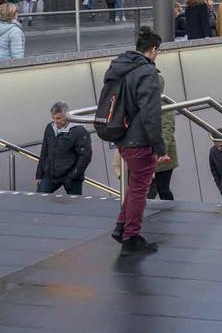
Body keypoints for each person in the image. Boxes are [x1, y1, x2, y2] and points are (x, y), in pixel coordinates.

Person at [106, 27, 167, 256]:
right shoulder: (147, 72)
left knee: (134, 186)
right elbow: (151, 113)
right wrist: (159, 145)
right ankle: (131, 236)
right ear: (153, 50)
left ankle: (122, 226)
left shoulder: (120, 66)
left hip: (121, 136)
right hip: (139, 140)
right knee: (141, 189)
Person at [34, 102, 92, 195]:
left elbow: (85, 156)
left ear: (67, 116)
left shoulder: (79, 131)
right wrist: (39, 174)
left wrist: (72, 176)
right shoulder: (50, 127)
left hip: (71, 176)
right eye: (53, 118)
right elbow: (44, 151)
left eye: (58, 118)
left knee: (74, 205)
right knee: (40, 199)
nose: (56, 121)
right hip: (51, 174)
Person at [148, 110, 177, 200]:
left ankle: (169, 211)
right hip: (147, 152)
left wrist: (161, 151)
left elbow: (167, 129)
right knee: (147, 189)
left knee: (163, 189)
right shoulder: (144, 102)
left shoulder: (163, 103)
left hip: (162, 154)